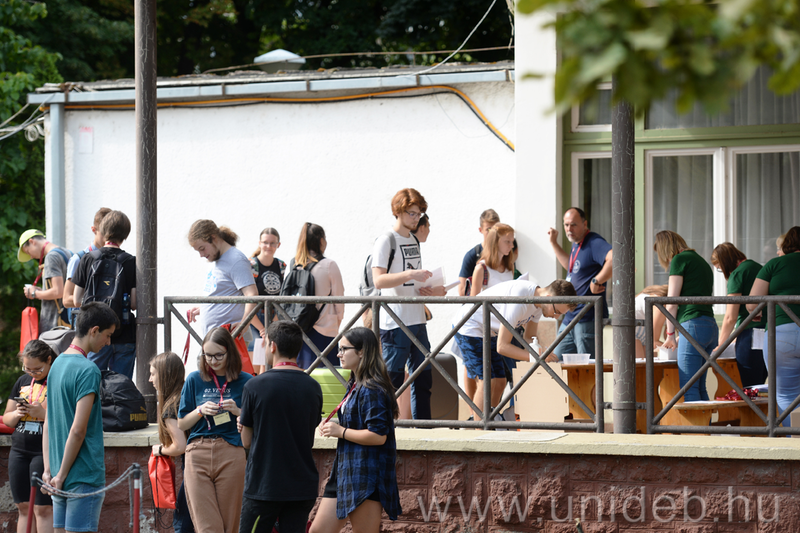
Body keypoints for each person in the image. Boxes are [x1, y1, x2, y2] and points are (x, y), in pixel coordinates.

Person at [310, 327, 401, 533]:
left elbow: (378, 436)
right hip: (345, 470)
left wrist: (340, 431)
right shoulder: (355, 383)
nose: (338, 354)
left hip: (366, 474)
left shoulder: (372, 388)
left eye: (344, 349)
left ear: (361, 352)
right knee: (318, 530)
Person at [238, 321, 323, 533]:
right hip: (302, 484)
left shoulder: (254, 385)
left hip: (264, 485)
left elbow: (246, 442)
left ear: (273, 346)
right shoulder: (313, 386)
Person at [42, 302, 118, 533]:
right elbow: (78, 430)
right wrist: (61, 475)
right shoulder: (88, 369)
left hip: (57, 474)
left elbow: (48, 422)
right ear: (94, 330)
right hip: (82, 475)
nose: (108, 342)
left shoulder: (56, 364)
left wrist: (49, 471)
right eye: (107, 335)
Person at [453, 279, 577, 420]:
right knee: (487, 381)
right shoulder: (521, 299)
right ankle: (481, 428)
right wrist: (537, 357)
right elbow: (502, 347)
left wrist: (542, 352)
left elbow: (529, 337)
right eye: (557, 312)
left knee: (500, 381)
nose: (556, 317)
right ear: (549, 298)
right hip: (469, 325)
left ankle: (492, 421)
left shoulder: (538, 304)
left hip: (489, 331)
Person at [372, 188, 443, 420]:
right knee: (392, 379)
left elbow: (410, 280)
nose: (415, 218)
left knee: (423, 378)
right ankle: (383, 426)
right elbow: (378, 280)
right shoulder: (386, 240)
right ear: (398, 212)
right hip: (395, 321)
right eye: (412, 213)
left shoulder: (413, 239)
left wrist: (427, 288)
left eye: (418, 214)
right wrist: (411, 275)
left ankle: (423, 428)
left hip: (417, 318)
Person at [178, 326, 253, 533]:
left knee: (230, 525)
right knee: (207, 527)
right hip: (198, 451)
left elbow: (257, 422)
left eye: (219, 355)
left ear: (230, 351)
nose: (213, 360)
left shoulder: (247, 381)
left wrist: (237, 411)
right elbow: (182, 423)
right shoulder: (194, 379)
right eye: (208, 355)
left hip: (232, 450)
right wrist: (200, 410)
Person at [187, 220, 260, 373]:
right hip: (215, 341)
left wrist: (243, 324)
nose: (201, 255)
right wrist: (204, 308)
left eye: (202, 248)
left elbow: (252, 294)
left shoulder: (235, 259)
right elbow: (223, 291)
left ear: (213, 238)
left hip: (228, 341)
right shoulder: (218, 258)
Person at [72, 210, 138, 378]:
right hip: (124, 334)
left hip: (96, 333)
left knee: (92, 382)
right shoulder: (131, 261)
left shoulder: (88, 258)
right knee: (122, 385)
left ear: (102, 230)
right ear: (126, 235)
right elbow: (134, 304)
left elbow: (77, 300)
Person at [656, 230, 717, 401]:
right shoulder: (701, 261)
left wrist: (670, 335)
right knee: (700, 387)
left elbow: (672, 301)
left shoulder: (679, 259)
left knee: (689, 387)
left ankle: (695, 421)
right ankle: (706, 420)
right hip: (710, 325)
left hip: (692, 325)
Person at [3, 340, 56, 533]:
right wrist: (18, 413)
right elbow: (7, 419)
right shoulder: (22, 381)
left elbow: (65, 419)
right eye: (27, 369)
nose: (32, 373)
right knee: (23, 506)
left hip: (43, 451)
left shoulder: (57, 380)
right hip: (19, 450)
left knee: (43, 508)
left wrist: (41, 413)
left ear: (49, 360)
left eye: (37, 369)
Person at [748, 226, 800, 421]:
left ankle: (793, 437)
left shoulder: (774, 264)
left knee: (786, 395)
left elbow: (752, 303)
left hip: (781, 335)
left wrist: (757, 313)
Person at [548, 207, 613, 360]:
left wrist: (597, 280)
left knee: (587, 368)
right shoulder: (576, 244)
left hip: (586, 317)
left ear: (584, 224)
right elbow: (572, 267)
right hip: (569, 317)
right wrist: (554, 243)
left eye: (573, 224)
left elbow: (615, 259)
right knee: (555, 362)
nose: (569, 229)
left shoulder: (594, 242)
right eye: (566, 225)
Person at [710, 243, 767, 387]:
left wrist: (721, 344)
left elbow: (731, 316)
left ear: (724, 262)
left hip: (748, 332)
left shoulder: (737, 274)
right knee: (761, 383)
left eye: (719, 268)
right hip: (768, 331)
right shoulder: (758, 268)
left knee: (749, 385)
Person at [148, 352, 193, 533]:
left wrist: (160, 450)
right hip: (213, 463)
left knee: (182, 524)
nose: (150, 379)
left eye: (153, 374)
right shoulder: (188, 395)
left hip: (193, 468)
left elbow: (180, 446)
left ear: (165, 375)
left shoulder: (171, 407)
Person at [291, 223, 345, 370]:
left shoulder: (295, 264)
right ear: (321, 241)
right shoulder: (329, 265)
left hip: (299, 328)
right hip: (325, 327)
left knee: (303, 373)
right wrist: (338, 322)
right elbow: (339, 299)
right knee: (327, 376)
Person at [17, 229, 72, 333]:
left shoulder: (51, 257)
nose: (31, 256)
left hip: (55, 323)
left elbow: (58, 291)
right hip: (68, 320)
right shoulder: (67, 252)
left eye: (28, 252)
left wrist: (34, 293)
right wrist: (42, 291)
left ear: (32, 241)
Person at [248, 227, 287, 373]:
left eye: (272, 243)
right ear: (259, 243)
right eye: (265, 242)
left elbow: (282, 297)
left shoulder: (281, 266)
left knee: (269, 362)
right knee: (255, 365)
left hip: (274, 318)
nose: (268, 246)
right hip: (254, 319)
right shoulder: (251, 265)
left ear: (278, 245)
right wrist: (262, 329)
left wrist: (272, 325)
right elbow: (247, 299)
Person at [63, 207, 111, 314]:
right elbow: (66, 300)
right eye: (104, 233)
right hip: (85, 319)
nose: (107, 239)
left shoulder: (114, 258)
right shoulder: (78, 259)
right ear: (94, 230)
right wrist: (99, 299)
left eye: (111, 234)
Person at [458, 209, 500, 296]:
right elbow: (462, 291)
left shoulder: (505, 255)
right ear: (480, 230)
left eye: (496, 229)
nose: (493, 233)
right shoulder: (472, 255)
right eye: (489, 229)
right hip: (479, 304)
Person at [469, 223, 515, 296]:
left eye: (512, 241)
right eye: (507, 241)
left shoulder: (509, 266)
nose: (512, 246)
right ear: (495, 242)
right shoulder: (481, 268)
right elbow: (473, 301)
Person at [634, 285, 669, 358]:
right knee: (641, 364)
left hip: (645, 330)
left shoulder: (666, 306)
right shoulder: (660, 305)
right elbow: (653, 342)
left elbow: (667, 336)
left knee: (651, 363)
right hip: (632, 330)